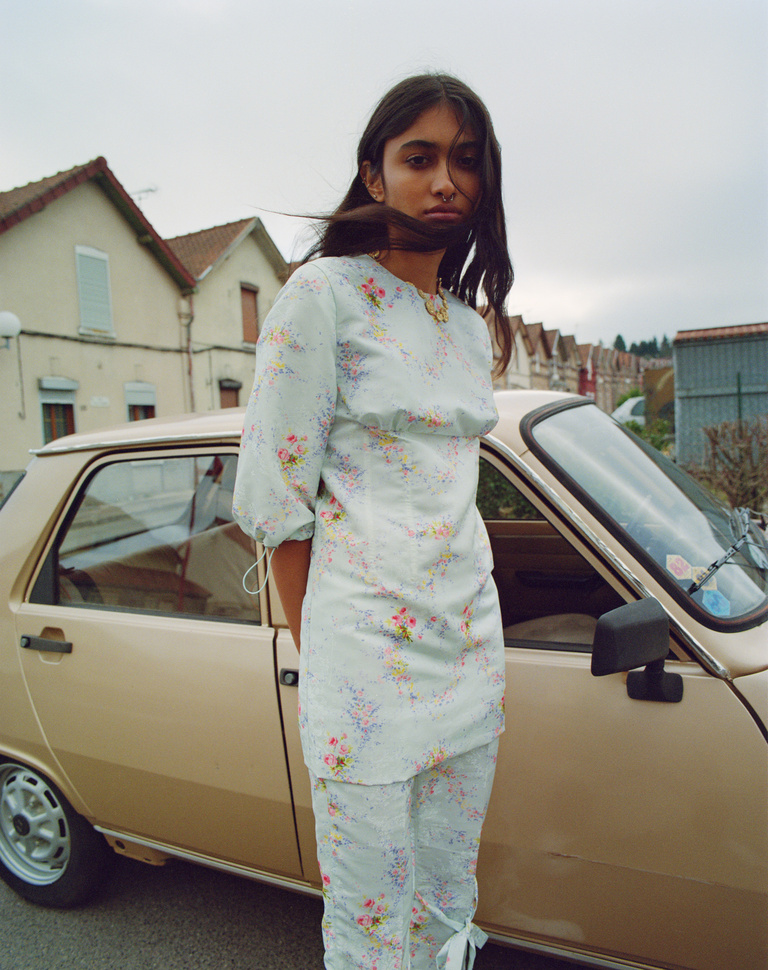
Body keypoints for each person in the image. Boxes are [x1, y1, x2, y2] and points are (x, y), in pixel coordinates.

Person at [233, 72, 513, 970]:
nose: (445, 181)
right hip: (364, 666)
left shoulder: (468, 328)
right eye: (419, 158)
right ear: (373, 173)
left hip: (469, 651)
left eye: (464, 161)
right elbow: (278, 505)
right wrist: (327, 660)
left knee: (446, 901)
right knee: (369, 924)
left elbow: (450, 493)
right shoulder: (323, 296)